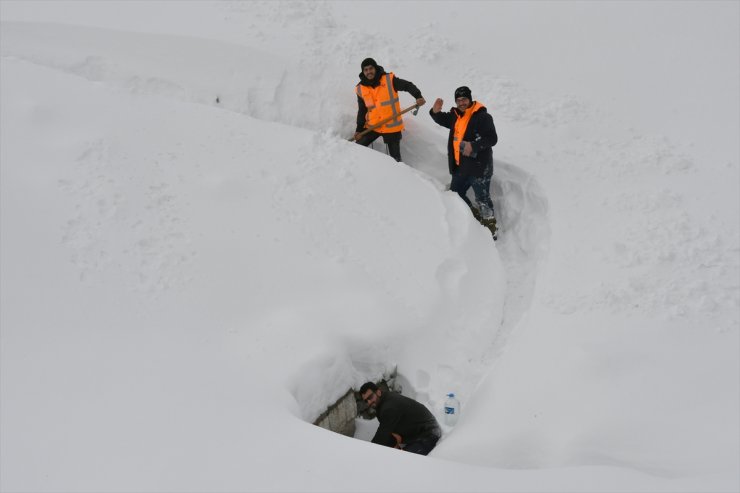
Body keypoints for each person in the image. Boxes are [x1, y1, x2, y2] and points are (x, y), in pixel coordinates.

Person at [429, 86, 499, 239]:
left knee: (483, 199)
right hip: (461, 166)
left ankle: (491, 230)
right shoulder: (456, 116)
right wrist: (434, 112)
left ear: (470, 99)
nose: (461, 103)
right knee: (455, 194)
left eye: (464, 99)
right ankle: (473, 218)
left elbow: (492, 138)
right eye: (458, 100)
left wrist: (473, 145)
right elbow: (442, 119)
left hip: (480, 167)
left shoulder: (482, 117)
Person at [354, 58, 426, 162]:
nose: (369, 71)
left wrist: (418, 96)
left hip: (392, 126)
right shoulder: (360, 88)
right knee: (358, 148)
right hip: (373, 126)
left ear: (375, 68)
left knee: (396, 160)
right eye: (366, 70)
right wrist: (359, 129)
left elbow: (407, 85)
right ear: (363, 72)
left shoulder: (389, 80)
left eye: (371, 68)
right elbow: (362, 110)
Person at [359, 382, 441, 455]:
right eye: (366, 401)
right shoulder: (383, 401)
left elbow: (381, 436)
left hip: (429, 434)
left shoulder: (389, 407)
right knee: (388, 440)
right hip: (417, 431)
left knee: (402, 461)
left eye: (370, 397)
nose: (369, 402)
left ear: (378, 392)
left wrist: (367, 453)